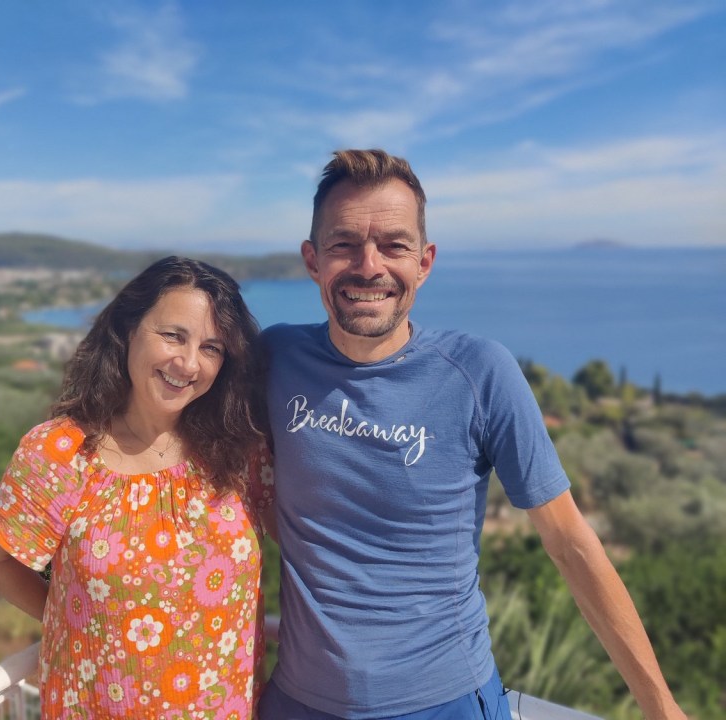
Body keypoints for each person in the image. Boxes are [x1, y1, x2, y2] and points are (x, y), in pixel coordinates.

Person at [258, 149, 686, 720]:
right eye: (343, 244)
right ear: (312, 260)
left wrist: (661, 707)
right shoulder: (274, 358)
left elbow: (570, 543)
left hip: (443, 701)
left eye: (394, 244)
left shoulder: (480, 373)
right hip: (297, 703)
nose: (368, 265)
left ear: (425, 261)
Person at [0, 256, 274, 720]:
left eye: (211, 348)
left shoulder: (239, 453)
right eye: (173, 335)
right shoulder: (62, 453)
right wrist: (76, 619)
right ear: (128, 330)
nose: (188, 363)